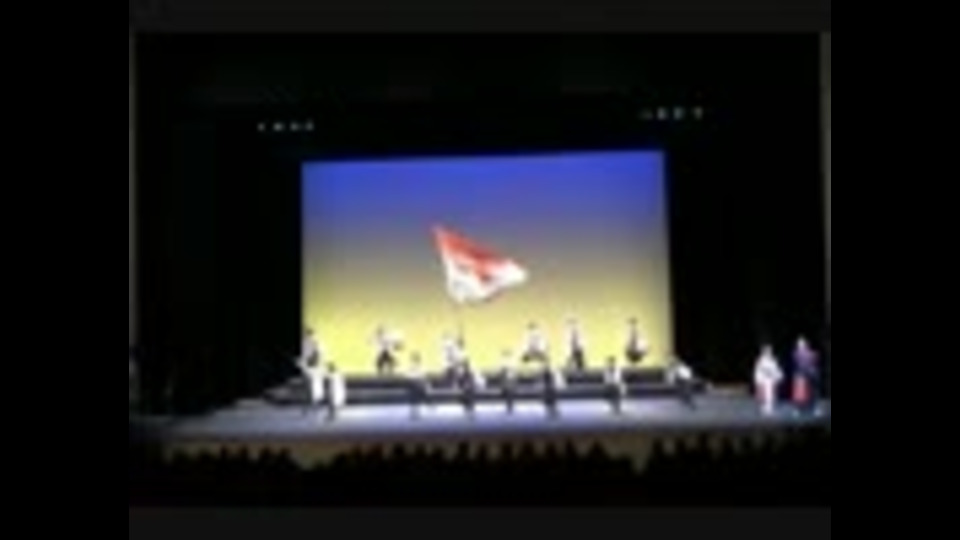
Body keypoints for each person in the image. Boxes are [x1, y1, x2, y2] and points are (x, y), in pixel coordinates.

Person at [792, 337, 821, 416]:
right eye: (799, 344)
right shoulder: (796, 353)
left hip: (810, 375)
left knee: (812, 392)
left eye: (802, 344)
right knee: (799, 393)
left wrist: (812, 368)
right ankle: (798, 409)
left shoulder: (811, 353)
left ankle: (815, 409)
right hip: (801, 374)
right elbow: (797, 361)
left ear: (805, 344)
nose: (800, 345)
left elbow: (815, 360)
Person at [753, 344, 784, 416]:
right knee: (765, 394)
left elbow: (776, 368)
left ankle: (769, 407)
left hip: (771, 379)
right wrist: (758, 379)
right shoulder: (761, 360)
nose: (768, 352)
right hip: (764, 379)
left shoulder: (773, 360)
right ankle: (765, 407)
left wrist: (778, 375)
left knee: (770, 394)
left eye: (769, 351)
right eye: (767, 351)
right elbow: (758, 370)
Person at [407, 353, 430, 419]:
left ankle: (415, 412)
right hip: (415, 384)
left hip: (416, 384)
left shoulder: (418, 367)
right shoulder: (414, 367)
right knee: (415, 398)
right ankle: (415, 412)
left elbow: (423, 377)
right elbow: (410, 376)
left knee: (415, 398)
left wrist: (425, 384)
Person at [499, 349, 519, 415]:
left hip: (508, 387)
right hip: (508, 387)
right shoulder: (509, 370)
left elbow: (505, 378)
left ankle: (509, 407)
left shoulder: (506, 370)